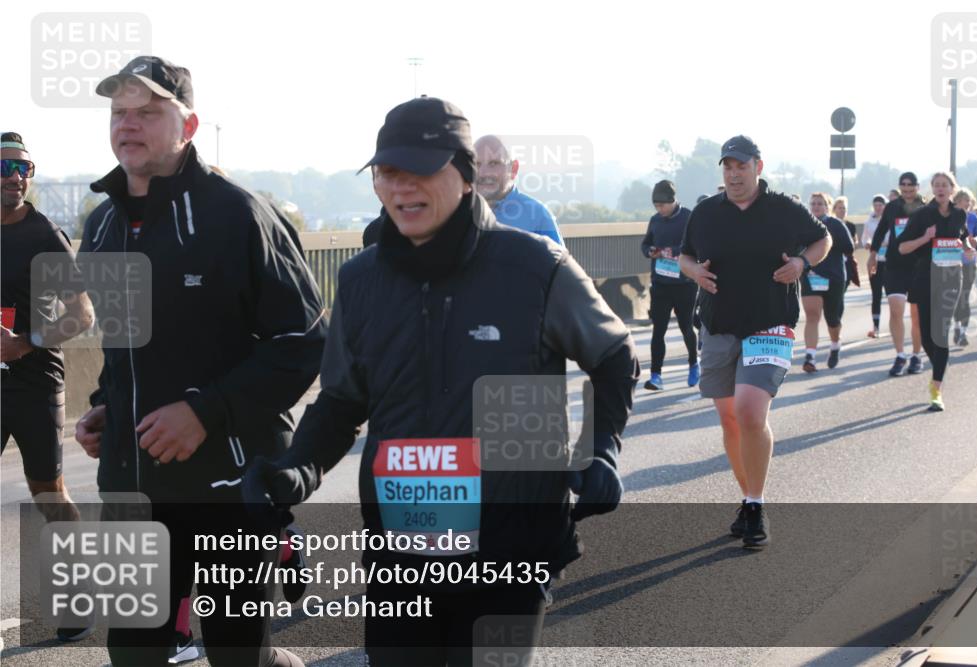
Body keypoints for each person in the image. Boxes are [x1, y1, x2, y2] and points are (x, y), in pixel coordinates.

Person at [241, 97, 638, 665]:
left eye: (419, 170)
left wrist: (601, 449)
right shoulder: (360, 282)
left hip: (510, 550)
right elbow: (341, 401)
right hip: (400, 554)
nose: (401, 187)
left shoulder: (536, 267)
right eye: (387, 172)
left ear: (465, 171)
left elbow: (614, 356)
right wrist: (295, 469)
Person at [73, 56, 323, 667]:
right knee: (132, 653)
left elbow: (305, 344)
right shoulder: (101, 225)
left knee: (238, 654)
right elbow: (124, 350)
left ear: (188, 126)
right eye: (119, 113)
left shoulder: (239, 214)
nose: (128, 125)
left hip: (228, 491)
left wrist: (205, 413)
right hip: (130, 491)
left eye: (148, 112)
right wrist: (105, 407)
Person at [679, 135, 831, 548]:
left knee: (749, 411)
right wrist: (694, 273)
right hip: (717, 324)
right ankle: (748, 500)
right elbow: (684, 256)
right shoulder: (706, 212)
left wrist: (802, 262)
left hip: (770, 323)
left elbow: (823, 240)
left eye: (741, 166)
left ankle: (756, 503)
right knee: (729, 418)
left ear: (758, 168)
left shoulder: (784, 209)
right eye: (727, 167)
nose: (733, 174)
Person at [1, 132, 96, 641]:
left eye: (24, 168)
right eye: (5, 167)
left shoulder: (44, 234)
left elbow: (82, 313)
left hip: (35, 381)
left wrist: (24, 342)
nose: (16, 177)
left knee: (48, 495)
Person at [897, 172, 974, 411]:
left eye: (945, 185)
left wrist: (969, 248)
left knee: (940, 332)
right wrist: (925, 238)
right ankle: (939, 365)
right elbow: (902, 248)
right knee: (929, 336)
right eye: (936, 185)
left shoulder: (960, 214)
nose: (940, 189)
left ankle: (936, 388)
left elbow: (963, 238)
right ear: (932, 189)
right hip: (924, 280)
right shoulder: (922, 215)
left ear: (952, 189)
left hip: (951, 279)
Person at [640, 180, 699, 390]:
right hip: (661, 284)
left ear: (672, 201)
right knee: (659, 330)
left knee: (686, 327)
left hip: (685, 284)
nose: (659, 210)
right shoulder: (655, 220)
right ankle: (656, 376)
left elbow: (696, 245)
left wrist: (673, 252)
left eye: (662, 205)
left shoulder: (688, 217)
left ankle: (694, 364)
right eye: (656, 206)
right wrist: (650, 251)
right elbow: (645, 244)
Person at [868, 172, 925, 376]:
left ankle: (916, 356)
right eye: (904, 184)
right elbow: (881, 230)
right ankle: (900, 355)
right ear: (900, 187)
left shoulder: (925, 207)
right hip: (895, 265)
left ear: (918, 186)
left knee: (917, 317)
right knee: (895, 310)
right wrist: (873, 255)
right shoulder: (892, 207)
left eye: (911, 185)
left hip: (918, 266)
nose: (907, 188)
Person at [473, 134, 564, 245]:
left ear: (513, 168)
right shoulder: (456, 212)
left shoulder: (538, 218)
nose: (483, 173)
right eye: (476, 164)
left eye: (494, 163)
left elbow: (558, 261)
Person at [800, 193, 854, 372]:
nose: (816, 206)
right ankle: (810, 357)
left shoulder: (835, 224)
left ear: (827, 206)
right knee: (812, 315)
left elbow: (849, 248)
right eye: (813, 203)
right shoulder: (804, 224)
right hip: (810, 275)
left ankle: (835, 345)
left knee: (832, 318)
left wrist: (827, 244)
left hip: (834, 276)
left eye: (820, 204)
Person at [952, 188, 977, 347]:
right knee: (955, 298)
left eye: (970, 201)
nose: (969, 204)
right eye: (966, 201)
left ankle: (963, 333)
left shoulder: (973, 217)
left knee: (964, 298)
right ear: (957, 201)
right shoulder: (949, 216)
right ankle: (956, 327)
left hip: (969, 262)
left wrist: (975, 239)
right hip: (953, 263)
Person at [861, 194, 889, 337]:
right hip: (875, 260)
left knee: (892, 295)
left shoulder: (891, 219)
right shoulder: (869, 221)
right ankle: (876, 327)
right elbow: (864, 238)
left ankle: (895, 322)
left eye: (881, 205)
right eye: (876, 205)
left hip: (890, 261)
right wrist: (867, 243)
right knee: (876, 295)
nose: (878, 208)